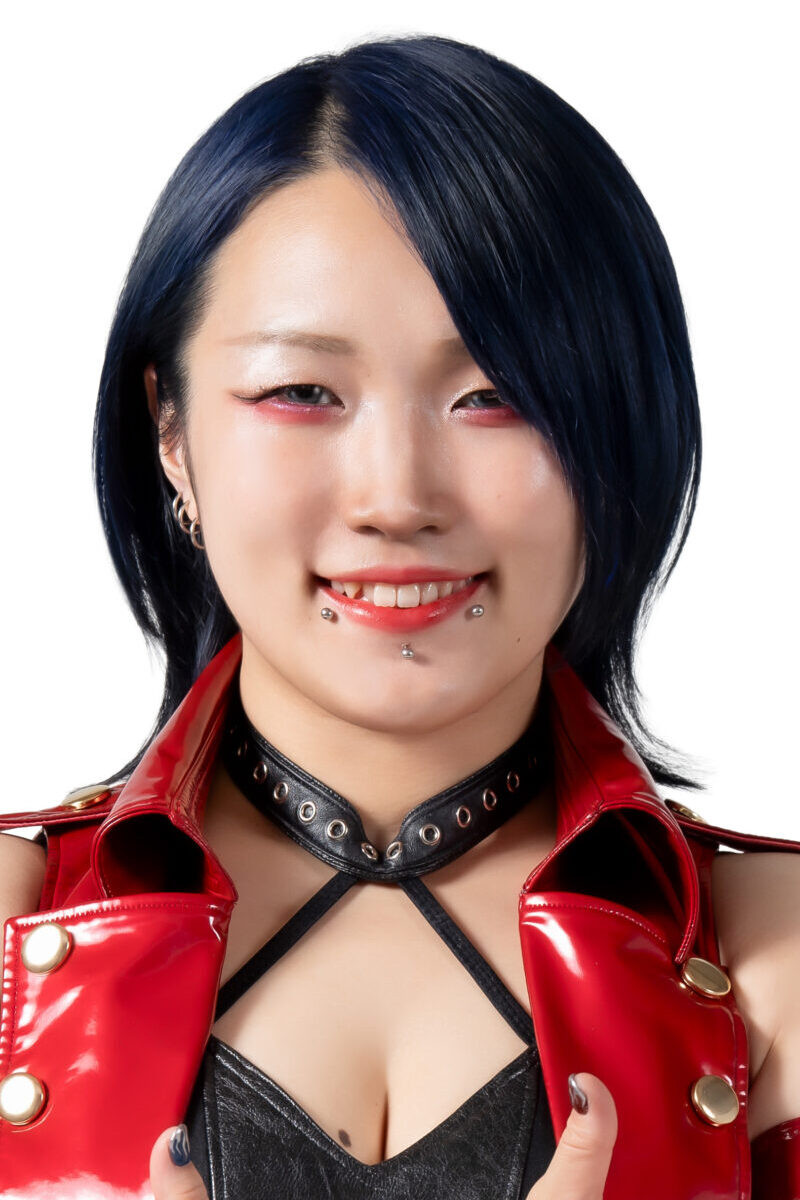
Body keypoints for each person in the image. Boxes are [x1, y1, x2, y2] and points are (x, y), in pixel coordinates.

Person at [0, 31, 798, 1200]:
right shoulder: (14, 949)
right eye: (300, 392)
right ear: (170, 433)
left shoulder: (769, 960)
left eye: (496, 396)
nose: (396, 497)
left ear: (621, 434)